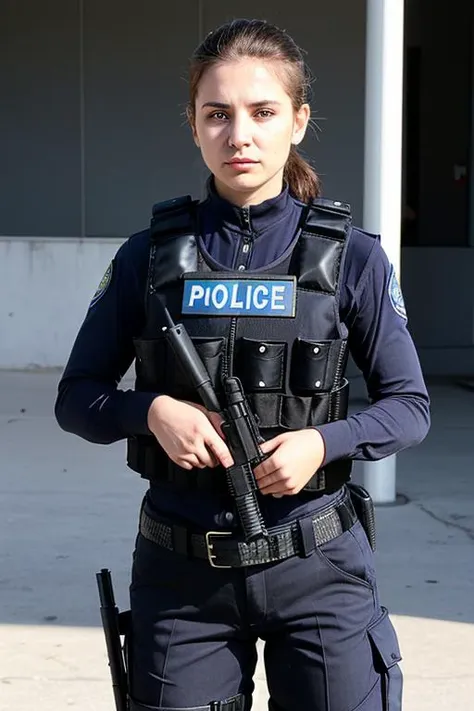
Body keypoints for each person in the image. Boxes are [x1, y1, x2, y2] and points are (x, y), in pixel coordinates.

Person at [55, 18, 430, 711]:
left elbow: (409, 406)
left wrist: (325, 439)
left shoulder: (353, 258)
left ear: (299, 120)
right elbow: (76, 397)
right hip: (183, 578)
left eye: (263, 112)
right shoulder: (149, 257)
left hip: (317, 565)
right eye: (217, 114)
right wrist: (150, 410)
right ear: (193, 125)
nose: (240, 134)